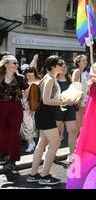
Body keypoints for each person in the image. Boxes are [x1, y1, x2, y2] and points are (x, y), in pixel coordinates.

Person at [27, 56, 79, 185]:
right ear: (52, 66)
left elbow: (49, 98)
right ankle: (45, 176)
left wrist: (65, 99)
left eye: (62, 64)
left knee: (42, 145)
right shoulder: (50, 79)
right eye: (60, 64)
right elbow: (46, 100)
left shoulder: (50, 78)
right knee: (55, 144)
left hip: (45, 114)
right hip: (46, 115)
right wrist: (64, 102)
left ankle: (33, 174)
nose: (62, 66)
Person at [0, 55, 29, 174]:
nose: (16, 65)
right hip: (1, 107)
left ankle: (12, 160)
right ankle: (4, 154)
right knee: (2, 133)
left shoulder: (20, 78)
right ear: (6, 65)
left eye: (17, 63)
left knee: (14, 134)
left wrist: (28, 105)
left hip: (16, 108)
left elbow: (27, 92)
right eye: (14, 63)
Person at [55, 64, 78, 165]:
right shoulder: (53, 81)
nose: (64, 69)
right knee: (58, 134)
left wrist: (76, 98)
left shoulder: (70, 81)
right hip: (57, 109)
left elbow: (75, 93)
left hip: (70, 108)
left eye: (65, 67)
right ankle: (53, 152)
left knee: (72, 130)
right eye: (62, 67)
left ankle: (71, 154)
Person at [21, 67, 41, 153]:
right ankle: (31, 143)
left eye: (31, 75)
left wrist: (33, 108)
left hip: (33, 107)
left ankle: (31, 144)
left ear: (34, 74)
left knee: (30, 126)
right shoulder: (24, 82)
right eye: (27, 75)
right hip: (24, 106)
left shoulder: (37, 83)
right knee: (26, 126)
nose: (29, 77)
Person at [72, 55, 88, 135]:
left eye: (85, 60)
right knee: (79, 124)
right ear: (78, 62)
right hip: (80, 101)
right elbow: (74, 85)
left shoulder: (83, 73)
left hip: (84, 100)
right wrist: (78, 99)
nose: (85, 62)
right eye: (83, 60)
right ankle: (75, 144)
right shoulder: (77, 71)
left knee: (82, 123)